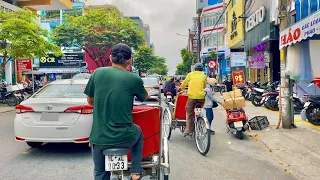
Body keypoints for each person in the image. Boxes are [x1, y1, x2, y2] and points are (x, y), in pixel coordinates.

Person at [84, 43, 149, 180]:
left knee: (100, 173)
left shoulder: (97, 73)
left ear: (110, 57)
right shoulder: (134, 79)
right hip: (125, 137)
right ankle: (136, 172)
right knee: (138, 131)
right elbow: (145, 97)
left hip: (99, 138)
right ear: (130, 60)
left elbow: (90, 101)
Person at [179, 63, 207, 137]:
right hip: (201, 98)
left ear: (195, 69)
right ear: (202, 69)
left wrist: (180, 88)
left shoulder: (190, 74)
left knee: (189, 113)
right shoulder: (204, 75)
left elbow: (184, 83)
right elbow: (204, 86)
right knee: (199, 110)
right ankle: (200, 119)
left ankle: (189, 130)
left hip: (191, 97)